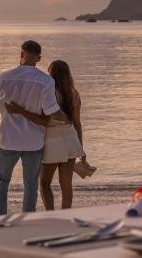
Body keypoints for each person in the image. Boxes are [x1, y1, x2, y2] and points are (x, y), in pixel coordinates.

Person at [6, 60, 89, 210]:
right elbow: (77, 123)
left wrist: (20, 111)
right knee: (66, 184)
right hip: (71, 139)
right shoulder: (74, 94)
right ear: (68, 74)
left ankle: (51, 213)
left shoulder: (48, 92)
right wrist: (81, 150)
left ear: (51, 74)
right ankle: (66, 214)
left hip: (52, 141)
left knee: (44, 184)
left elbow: (43, 120)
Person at [0, 40, 61, 214]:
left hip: (8, 139)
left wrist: (16, 111)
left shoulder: (3, 78)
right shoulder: (46, 81)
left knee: (1, 182)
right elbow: (49, 113)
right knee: (31, 185)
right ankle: (27, 217)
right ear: (38, 58)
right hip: (33, 141)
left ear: (21, 54)